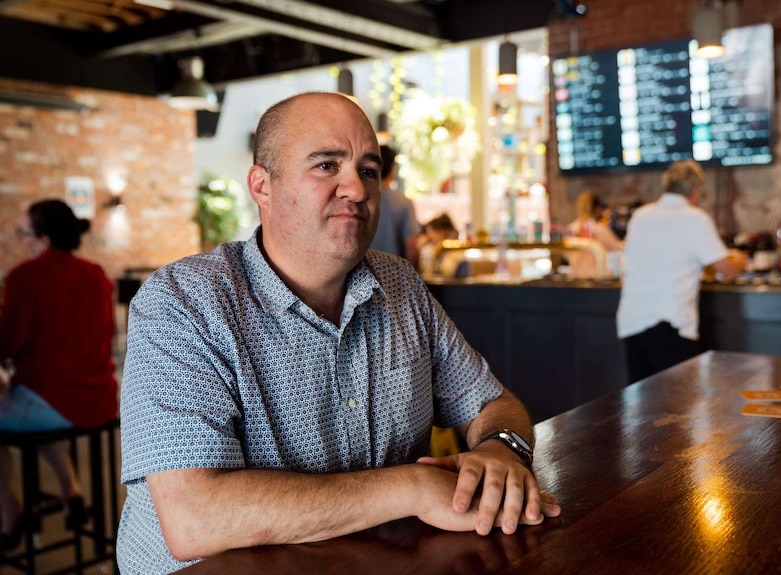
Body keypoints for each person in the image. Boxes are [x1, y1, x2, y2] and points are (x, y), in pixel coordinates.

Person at [117, 92, 561, 574]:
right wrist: (411, 487)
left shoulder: (400, 285)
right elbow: (195, 518)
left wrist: (500, 450)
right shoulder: (183, 301)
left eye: (368, 170)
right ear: (261, 186)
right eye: (327, 165)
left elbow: (493, 404)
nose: (356, 188)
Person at [0, 199, 117, 552]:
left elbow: (6, 344)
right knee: (37, 406)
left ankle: (10, 513)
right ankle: (71, 490)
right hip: (100, 400)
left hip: (53, 400)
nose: (22, 242)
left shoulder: (25, 276)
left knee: (30, 405)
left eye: (24, 234)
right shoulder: (97, 274)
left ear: (44, 239)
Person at [616, 160, 746, 384]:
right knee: (677, 405)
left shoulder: (641, 215)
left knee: (640, 406)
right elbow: (726, 270)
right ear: (695, 190)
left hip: (632, 322)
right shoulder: (694, 218)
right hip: (669, 323)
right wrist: (741, 259)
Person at [368, 144, 421, 268]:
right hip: (394, 277)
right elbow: (411, 247)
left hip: (360, 276)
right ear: (393, 169)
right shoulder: (402, 202)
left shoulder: (359, 198)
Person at [566, 191, 623, 279]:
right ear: (597, 209)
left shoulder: (570, 229)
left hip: (575, 278)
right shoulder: (599, 229)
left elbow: (565, 254)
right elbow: (618, 250)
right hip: (597, 279)